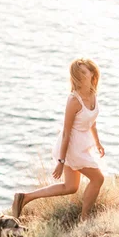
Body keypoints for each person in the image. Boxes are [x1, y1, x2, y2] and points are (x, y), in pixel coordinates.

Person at [12, 58, 105, 221]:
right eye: (79, 74)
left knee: (70, 187)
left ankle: (25, 197)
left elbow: (92, 122)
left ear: (92, 73)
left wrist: (97, 143)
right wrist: (61, 161)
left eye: (84, 72)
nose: (82, 76)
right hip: (72, 147)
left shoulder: (92, 93)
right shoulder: (74, 100)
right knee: (98, 179)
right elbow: (66, 132)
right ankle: (85, 218)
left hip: (82, 144)